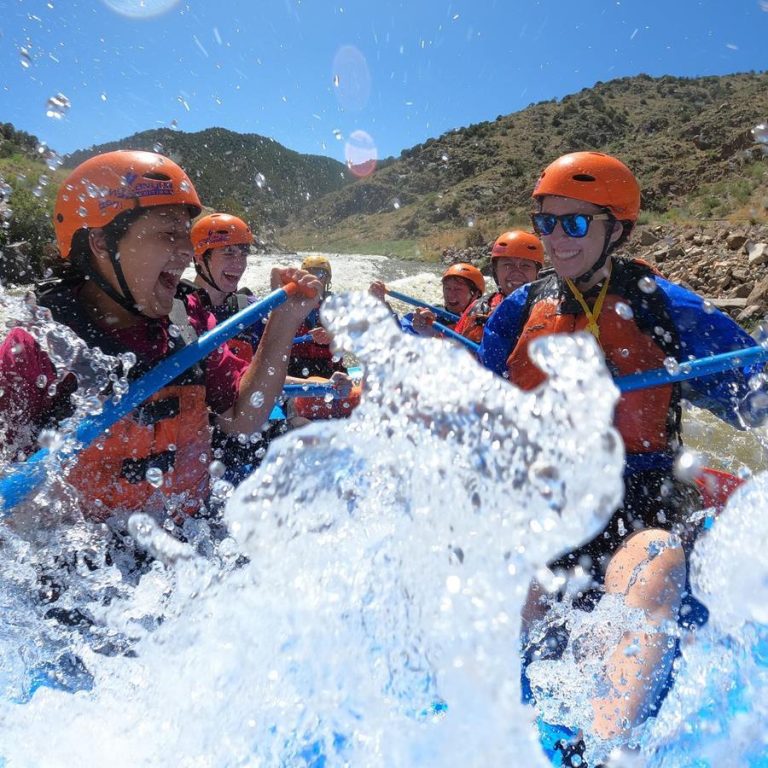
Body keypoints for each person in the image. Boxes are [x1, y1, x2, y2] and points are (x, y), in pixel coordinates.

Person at [478, 151, 759, 748]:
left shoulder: (665, 307)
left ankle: (603, 749)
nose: (557, 238)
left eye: (576, 222)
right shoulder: (518, 310)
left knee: (654, 563)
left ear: (618, 230)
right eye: (547, 222)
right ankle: (502, 725)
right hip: (554, 496)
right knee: (522, 581)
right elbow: (483, 408)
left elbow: (753, 402)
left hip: (645, 493)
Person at [0, 150, 320, 525]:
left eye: (186, 234)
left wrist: (285, 320)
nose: (186, 251)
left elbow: (242, 418)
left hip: (191, 539)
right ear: (101, 242)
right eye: (169, 234)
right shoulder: (35, 348)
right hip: (86, 555)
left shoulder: (189, 322)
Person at [453, 230, 544, 343]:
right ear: (496, 271)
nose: (516, 272)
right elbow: (454, 348)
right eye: (508, 265)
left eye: (525, 265)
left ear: (538, 273)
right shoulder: (478, 309)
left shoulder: (550, 310)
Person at [370, 262, 485, 337]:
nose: (451, 294)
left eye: (458, 289)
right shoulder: (429, 314)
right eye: (447, 288)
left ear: (475, 294)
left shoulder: (484, 323)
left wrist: (435, 336)